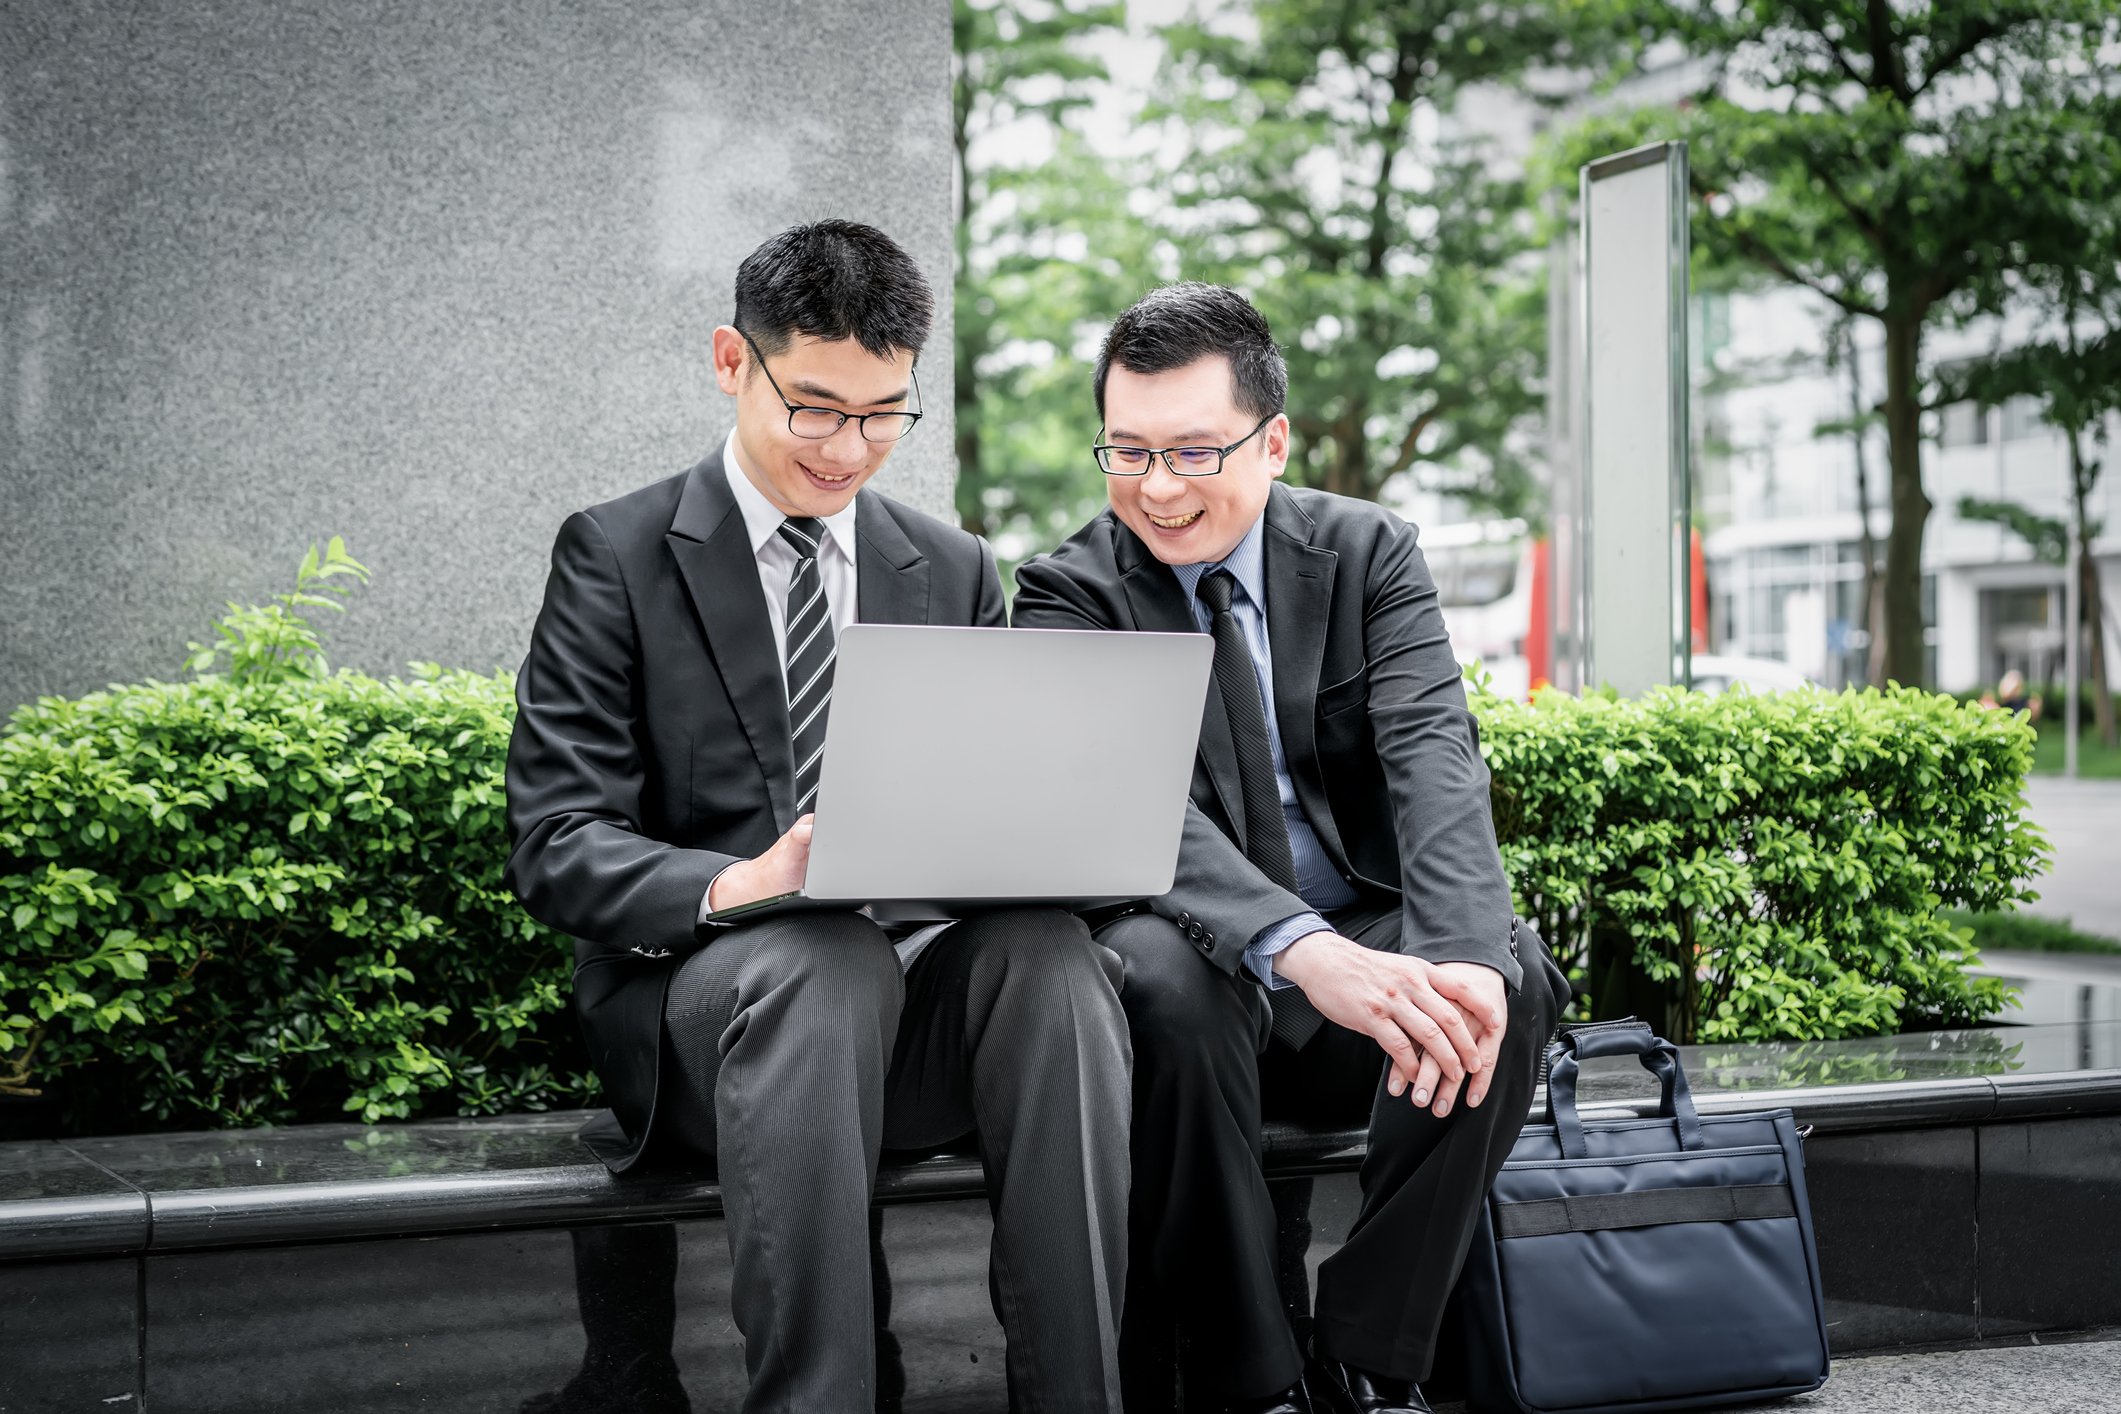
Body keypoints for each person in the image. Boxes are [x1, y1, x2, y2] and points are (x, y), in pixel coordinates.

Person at [505, 219, 1131, 1413]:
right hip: (715, 1011)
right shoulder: (617, 553)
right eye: (819, 408)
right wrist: (748, 880)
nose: (851, 449)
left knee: (1052, 961)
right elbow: (555, 841)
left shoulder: (950, 567)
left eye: (885, 414)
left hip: (906, 1006)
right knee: (819, 956)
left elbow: (985, 795)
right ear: (732, 361)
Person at [1012, 283, 1569, 1414]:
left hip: (1356, 952)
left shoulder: (1368, 554)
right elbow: (1130, 806)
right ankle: (1251, 1382)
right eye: (1126, 451)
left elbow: (1431, 753)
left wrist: (1460, 952)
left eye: (1191, 452)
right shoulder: (1068, 592)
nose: (1156, 489)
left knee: (1501, 977)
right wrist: (1297, 945)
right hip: (1192, 980)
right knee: (1161, 981)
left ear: (1272, 443)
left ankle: (1369, 1355)